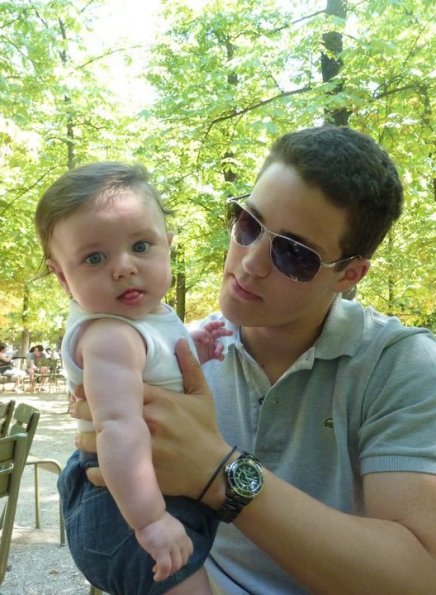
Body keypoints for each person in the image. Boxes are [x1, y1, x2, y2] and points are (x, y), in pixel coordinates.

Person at [74, 126, 436, 594]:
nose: (250, 262)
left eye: (293, 254)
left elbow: (419, 576)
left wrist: (218, 473)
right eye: (248, 223)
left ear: (349, 275)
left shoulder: (400, 365)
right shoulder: (171, 351)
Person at [35, 162, 232, 595]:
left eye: (141, 246)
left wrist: (190, 346)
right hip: (126, 506)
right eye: (95, 258)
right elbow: (119, 428)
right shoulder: (109, 335)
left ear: (168, 246)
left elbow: (154, 369)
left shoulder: (142, 319)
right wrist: (150, 520)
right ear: (62, 276)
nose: (123, 267)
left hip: (151, 493)